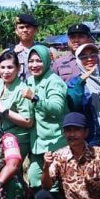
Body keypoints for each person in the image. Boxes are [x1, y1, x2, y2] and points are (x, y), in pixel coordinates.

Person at [25, 44, 67, 189]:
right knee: (34, 177)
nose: (34, 65)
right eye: (31, 61)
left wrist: (35, 99)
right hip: (37, 140)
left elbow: (58, 108)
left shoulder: (54, 81)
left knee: (53, 181)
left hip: (54, 141)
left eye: (38, 61)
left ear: (47, 61)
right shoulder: (30, 81)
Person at [0, 51, 34, 161]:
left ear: (18, 68)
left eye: (10, 67)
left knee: (10, 174)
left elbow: (28, 122)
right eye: (2, 67)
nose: (6, 72)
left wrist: (6, 111)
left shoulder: (22, 90)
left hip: (17, 138)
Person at [65, 43, 100, 145]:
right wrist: (82, 80)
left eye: (93, 55)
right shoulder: (74, 83)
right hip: (89, 136)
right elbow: (74, 105)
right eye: (83, 57)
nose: (89, 59)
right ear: (78, 61)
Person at [12, 13, 39, 78]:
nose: (25, 30)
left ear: (35, 30)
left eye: (28, 27)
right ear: (16, 31)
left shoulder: (44, 51)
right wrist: (13, 54)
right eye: (21, 27)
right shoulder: (10, 52)